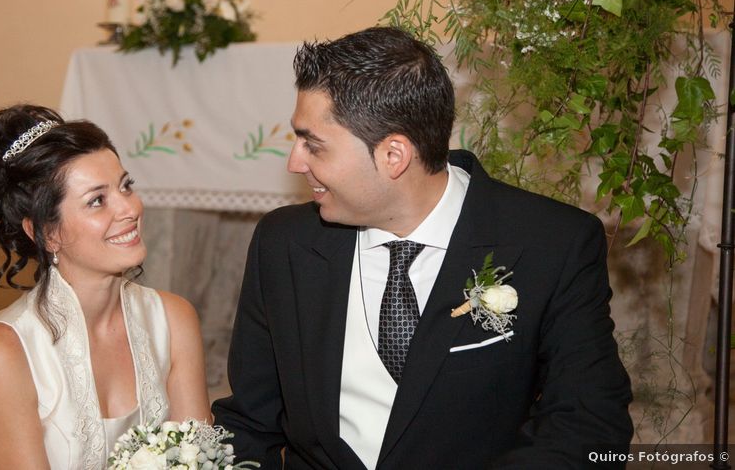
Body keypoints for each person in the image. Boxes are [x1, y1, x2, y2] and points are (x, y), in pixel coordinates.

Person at [211, 27, 633, 469]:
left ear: (394, 155)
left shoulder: (550, 243)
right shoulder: (284, 244)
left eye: (313, 145)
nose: (295, 163)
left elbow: (589, 427)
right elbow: (250, 423)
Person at [0, 104, 210, 469]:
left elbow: (200, 458)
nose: (129, 209)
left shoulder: (174, 320)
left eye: (126, 186)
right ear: (46, 233)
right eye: (97, 200)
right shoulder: (4, 352)